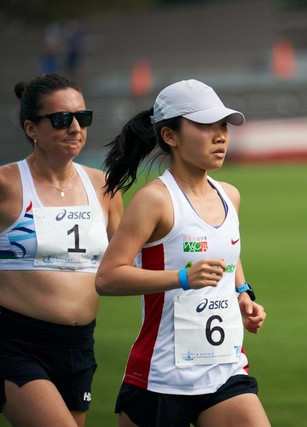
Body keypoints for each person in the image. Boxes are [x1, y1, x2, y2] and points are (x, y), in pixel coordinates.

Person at [95, 79, 271, 427]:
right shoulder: (154, 201)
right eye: (206, 126)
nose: (221, 135)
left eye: (223, 126)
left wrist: (243, 294)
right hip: (161, 377)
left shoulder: (229, 195)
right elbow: (107, 277)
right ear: (169, 136)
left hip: (225, 369)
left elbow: (228, 254)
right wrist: (181, 279)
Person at [0, 74, 123, 426]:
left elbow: (131, 260)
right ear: (31, 128)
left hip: (78, 347)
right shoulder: (6, 185)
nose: (74, 128)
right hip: (15, 345)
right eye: (60, 119)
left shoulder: (103, 186)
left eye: (82, 118)